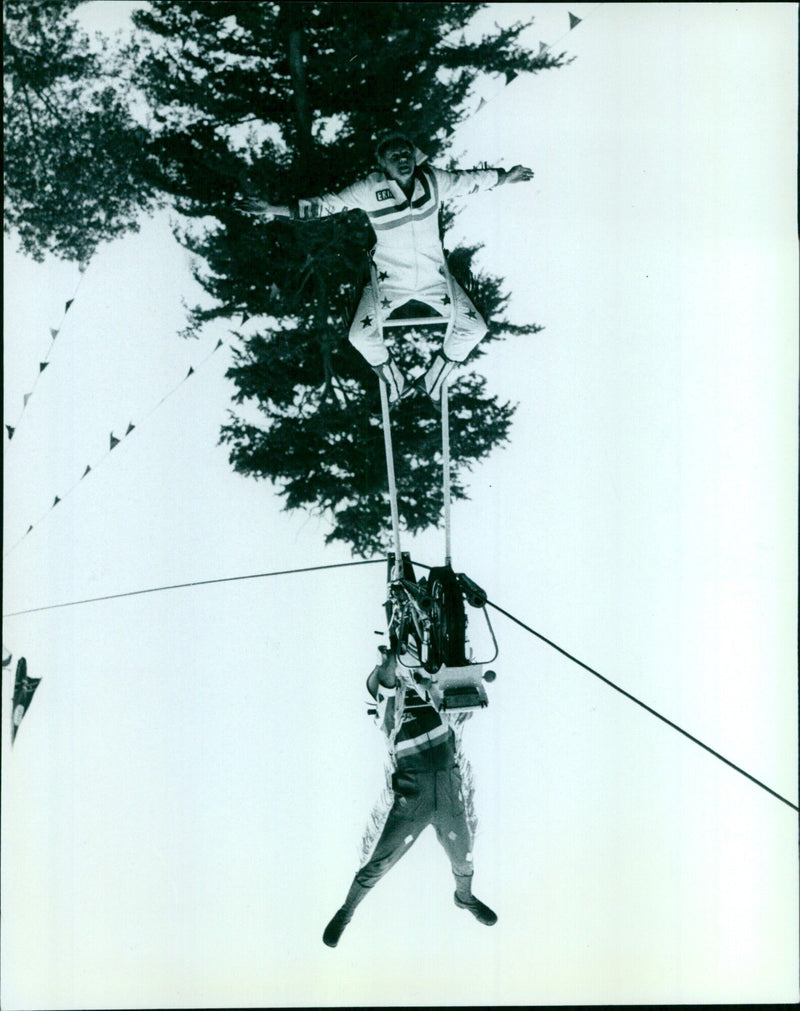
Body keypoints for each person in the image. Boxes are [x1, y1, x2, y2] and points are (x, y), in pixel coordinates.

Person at [240, 130, 534, 403]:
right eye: (394, 157)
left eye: (406, 154)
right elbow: (325, 205)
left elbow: (468, 180)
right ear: (382, 163)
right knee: (359, 336)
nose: (402, 160)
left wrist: (505, 177)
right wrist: (271, 209)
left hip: (435, 280)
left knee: (474, 329)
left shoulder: (432, 180)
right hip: (389, 281)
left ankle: (433, 382)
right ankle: (396, 383)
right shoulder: (370, 188)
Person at [321, 647, 496, 948]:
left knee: (464, 852)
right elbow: (386, 685)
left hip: (447, 787)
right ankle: (346, 911)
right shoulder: (388, 715)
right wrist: (387, 666)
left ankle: (464, 897)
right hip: (413, 796)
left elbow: (458, 691)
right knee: (380, 859)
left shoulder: (434, 695)